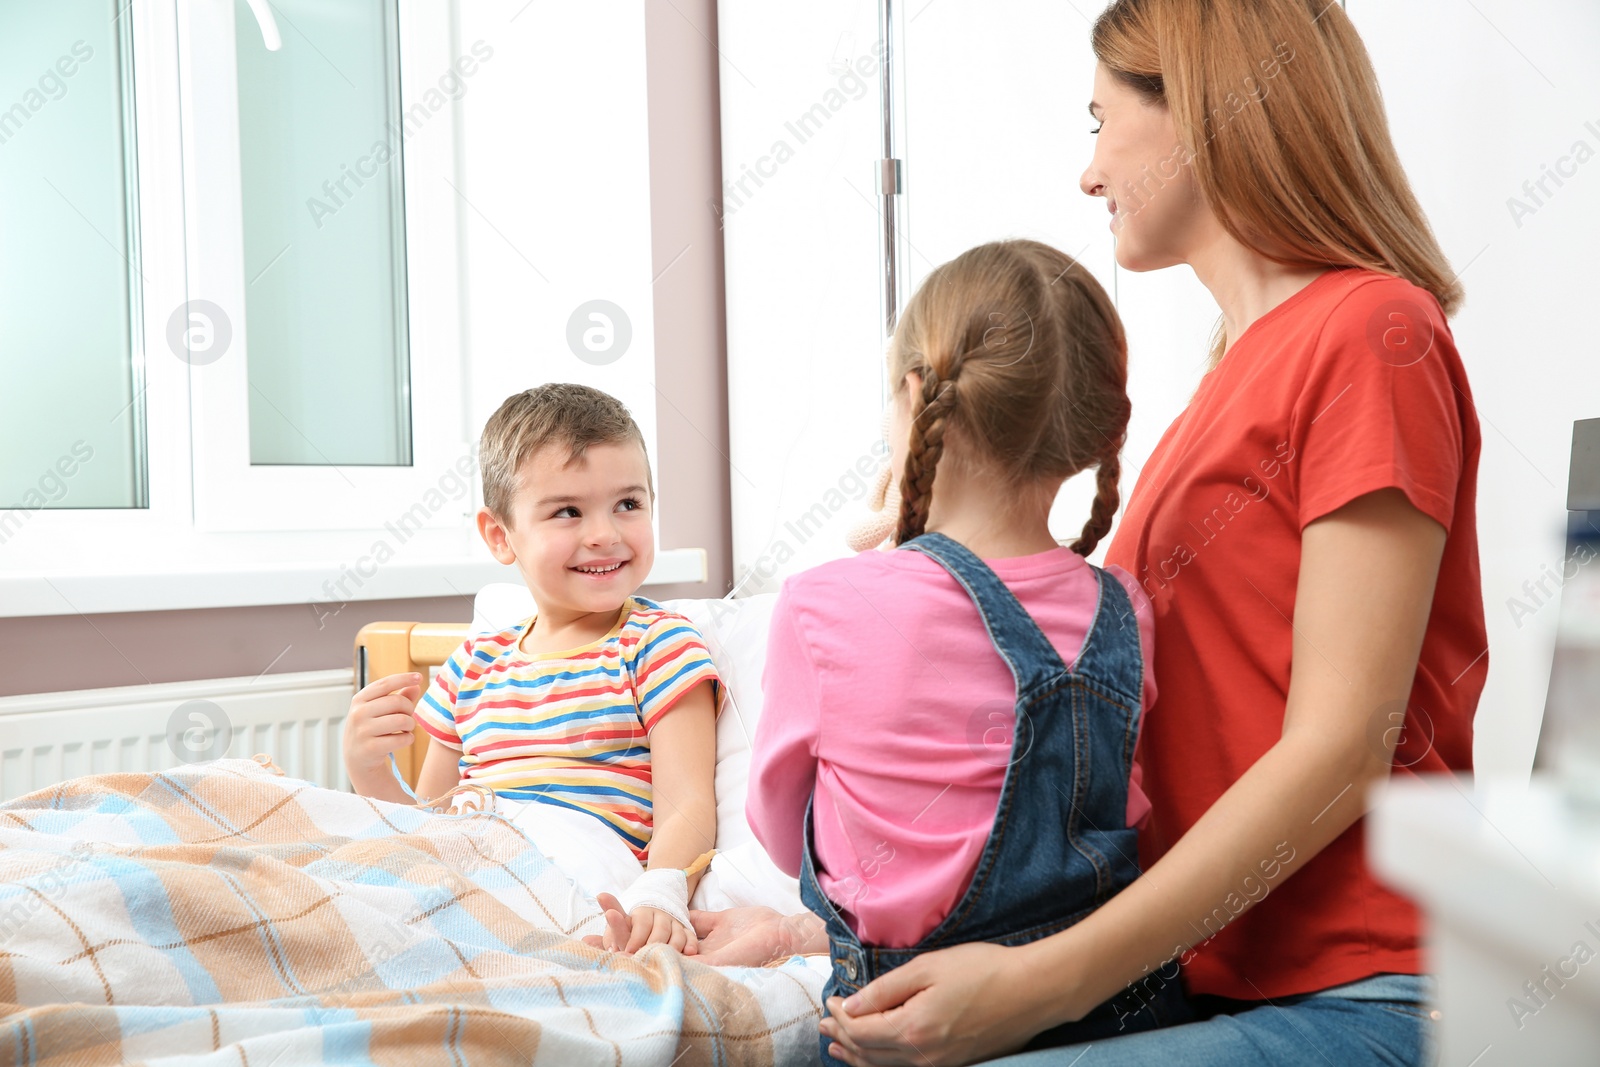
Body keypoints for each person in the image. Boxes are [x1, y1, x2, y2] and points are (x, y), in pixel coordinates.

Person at [690, 1, 1484, 1064]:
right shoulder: (1227, 377)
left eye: (1100, 120)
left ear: (1202, 113)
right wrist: (817, 926)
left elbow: (1344, 746)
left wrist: (1038, 981)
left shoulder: (1370, 332)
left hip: (1361, 986)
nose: (1088, 170)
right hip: (1194, 980)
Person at [743, 239, 1189, 1066]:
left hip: (902, 1020)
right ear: (1090, 431)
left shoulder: (824, 603)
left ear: (918, 394)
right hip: (1121, 1009)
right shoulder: (1123, 605)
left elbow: (777, 830)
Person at [343, 384, 722, 956]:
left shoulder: (656, 642)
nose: (605, 533)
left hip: (576, 877)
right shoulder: (472, 665)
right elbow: (429, 834)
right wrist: (368, 769)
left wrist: (663, 889)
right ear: (501, 536)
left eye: (629, 503)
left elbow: (690, 801)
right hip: (471, 863)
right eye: (568, 511)